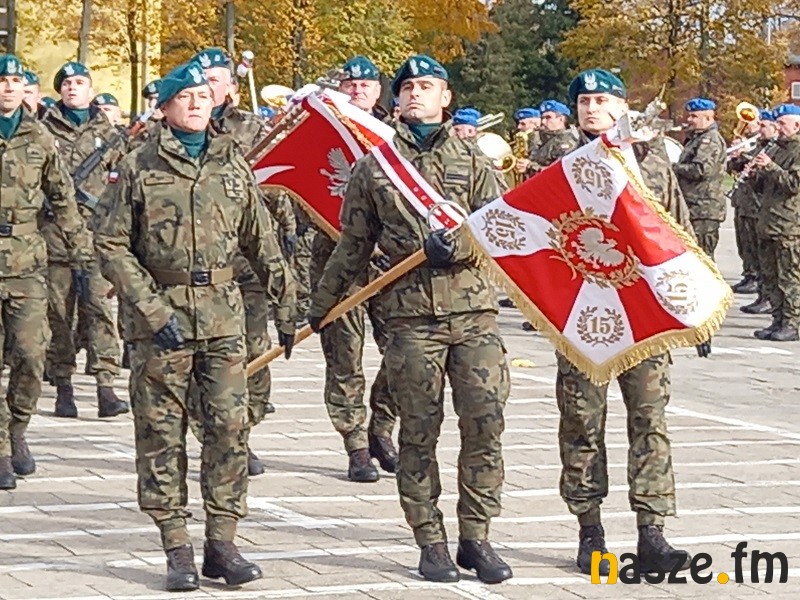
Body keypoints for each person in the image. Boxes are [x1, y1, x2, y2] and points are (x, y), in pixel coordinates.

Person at [309, 54, 512, 585]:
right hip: (410, 319)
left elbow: (500, 234)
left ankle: (477, 536)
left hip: (473, 314)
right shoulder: (375, 167)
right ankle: (430, 540)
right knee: (419, 433)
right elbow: (352, 245)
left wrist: (459, 249)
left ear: (446, 97)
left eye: (427, 86)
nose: (416, 94)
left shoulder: (475, 161)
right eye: (408, 88)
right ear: (396, 100)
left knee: (485, 424)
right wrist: (317, 306)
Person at [93, 62, 296, 591]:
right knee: (161, 436)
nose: (197, 103)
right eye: (185, 96)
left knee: (230, 428)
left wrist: (287, 304)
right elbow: (110, 243)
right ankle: (177, 548)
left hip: (224, 317)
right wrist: (151, 310)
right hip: (161, 321)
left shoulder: (231, 162)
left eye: (204, 95)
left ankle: (222, 545)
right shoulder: (138, 164)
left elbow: (260, 239)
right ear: (165, 107)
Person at [559, 68, 697, 577]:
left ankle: (652, 531)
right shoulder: (560, 163)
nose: (592, 108)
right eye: (584, 101)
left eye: (602, 100)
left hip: (644, 313)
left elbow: (677, 228)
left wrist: (693, 304)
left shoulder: (651, 158)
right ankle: (590, 529)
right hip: (585, 314)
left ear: (622, 106)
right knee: (582, 424)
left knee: (650, 421)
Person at [189, 47, 296, 473]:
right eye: (200, 81)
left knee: (251, 352)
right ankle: (212, 434)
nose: (206, 89)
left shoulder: (254, 130)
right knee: (199, 360)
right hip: (191, 267)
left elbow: (277, 185)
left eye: (215, 81)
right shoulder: (178, 131)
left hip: (246, 266)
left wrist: (285, 235)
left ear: (231, 87)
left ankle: (243, 432)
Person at [0, 54, 89, 490]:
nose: (8, 87)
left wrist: (82, 249)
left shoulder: (39, 137)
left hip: (26, 261)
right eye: (2, 80)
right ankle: (1, 447)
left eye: (15, 81)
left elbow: (63, 196)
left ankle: (18, 426)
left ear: (24, 88)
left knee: (32, 353)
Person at [309, 55, 398, 483]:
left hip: (390, 263)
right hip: (339, 259)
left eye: (366, 84)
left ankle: (381, 427)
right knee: (344, 355)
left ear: (379, 90)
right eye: (350, 83)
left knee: (402, 350)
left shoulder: (396, 137)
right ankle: (356, 445)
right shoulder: (321, 134)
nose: (358, 89)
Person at [40, 61, 127, 419]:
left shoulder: (110, 134)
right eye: (67, 83)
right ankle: (63, 387)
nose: (73, 87)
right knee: (58, 316)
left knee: (99, 312)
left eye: (79, 82)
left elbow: (123, 186)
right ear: (59, 90)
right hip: (54, 238)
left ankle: (106, 387)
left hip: (95, 239)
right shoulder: (42, 130)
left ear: (90, 89)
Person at [751, 103, 800, 342]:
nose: (778, 128)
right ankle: (778, 319)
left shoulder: (797, 150)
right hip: (769, 223)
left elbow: (793, 184)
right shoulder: (776, 149)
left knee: (789, 278)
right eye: (777, 123)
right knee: (770, 277)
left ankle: (793, 323)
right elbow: (762, 188)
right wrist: (755, 173)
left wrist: (769, 167)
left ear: (797, 125)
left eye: (782, 123)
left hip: (789, 226)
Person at [732, 110, 776, 314]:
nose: (760, 130)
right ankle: (758, 289)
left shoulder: (774, 149)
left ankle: (767, 297)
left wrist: (751, 160)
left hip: (760, 208)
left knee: (765, 259)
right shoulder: (760, 146)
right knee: (748, 248)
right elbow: (736, 169)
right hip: (747, 204)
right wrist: (738, 158)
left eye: (763, 126)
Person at [673, 97, 726, 259]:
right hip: (694, 206)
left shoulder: (709, 140)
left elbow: (700, 170)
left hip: (703, 209)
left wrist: (674, 167)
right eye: (689, 115)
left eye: (694, 116)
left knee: (703, 257)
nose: (689, 120)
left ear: (708, 118)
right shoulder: (697, 138)